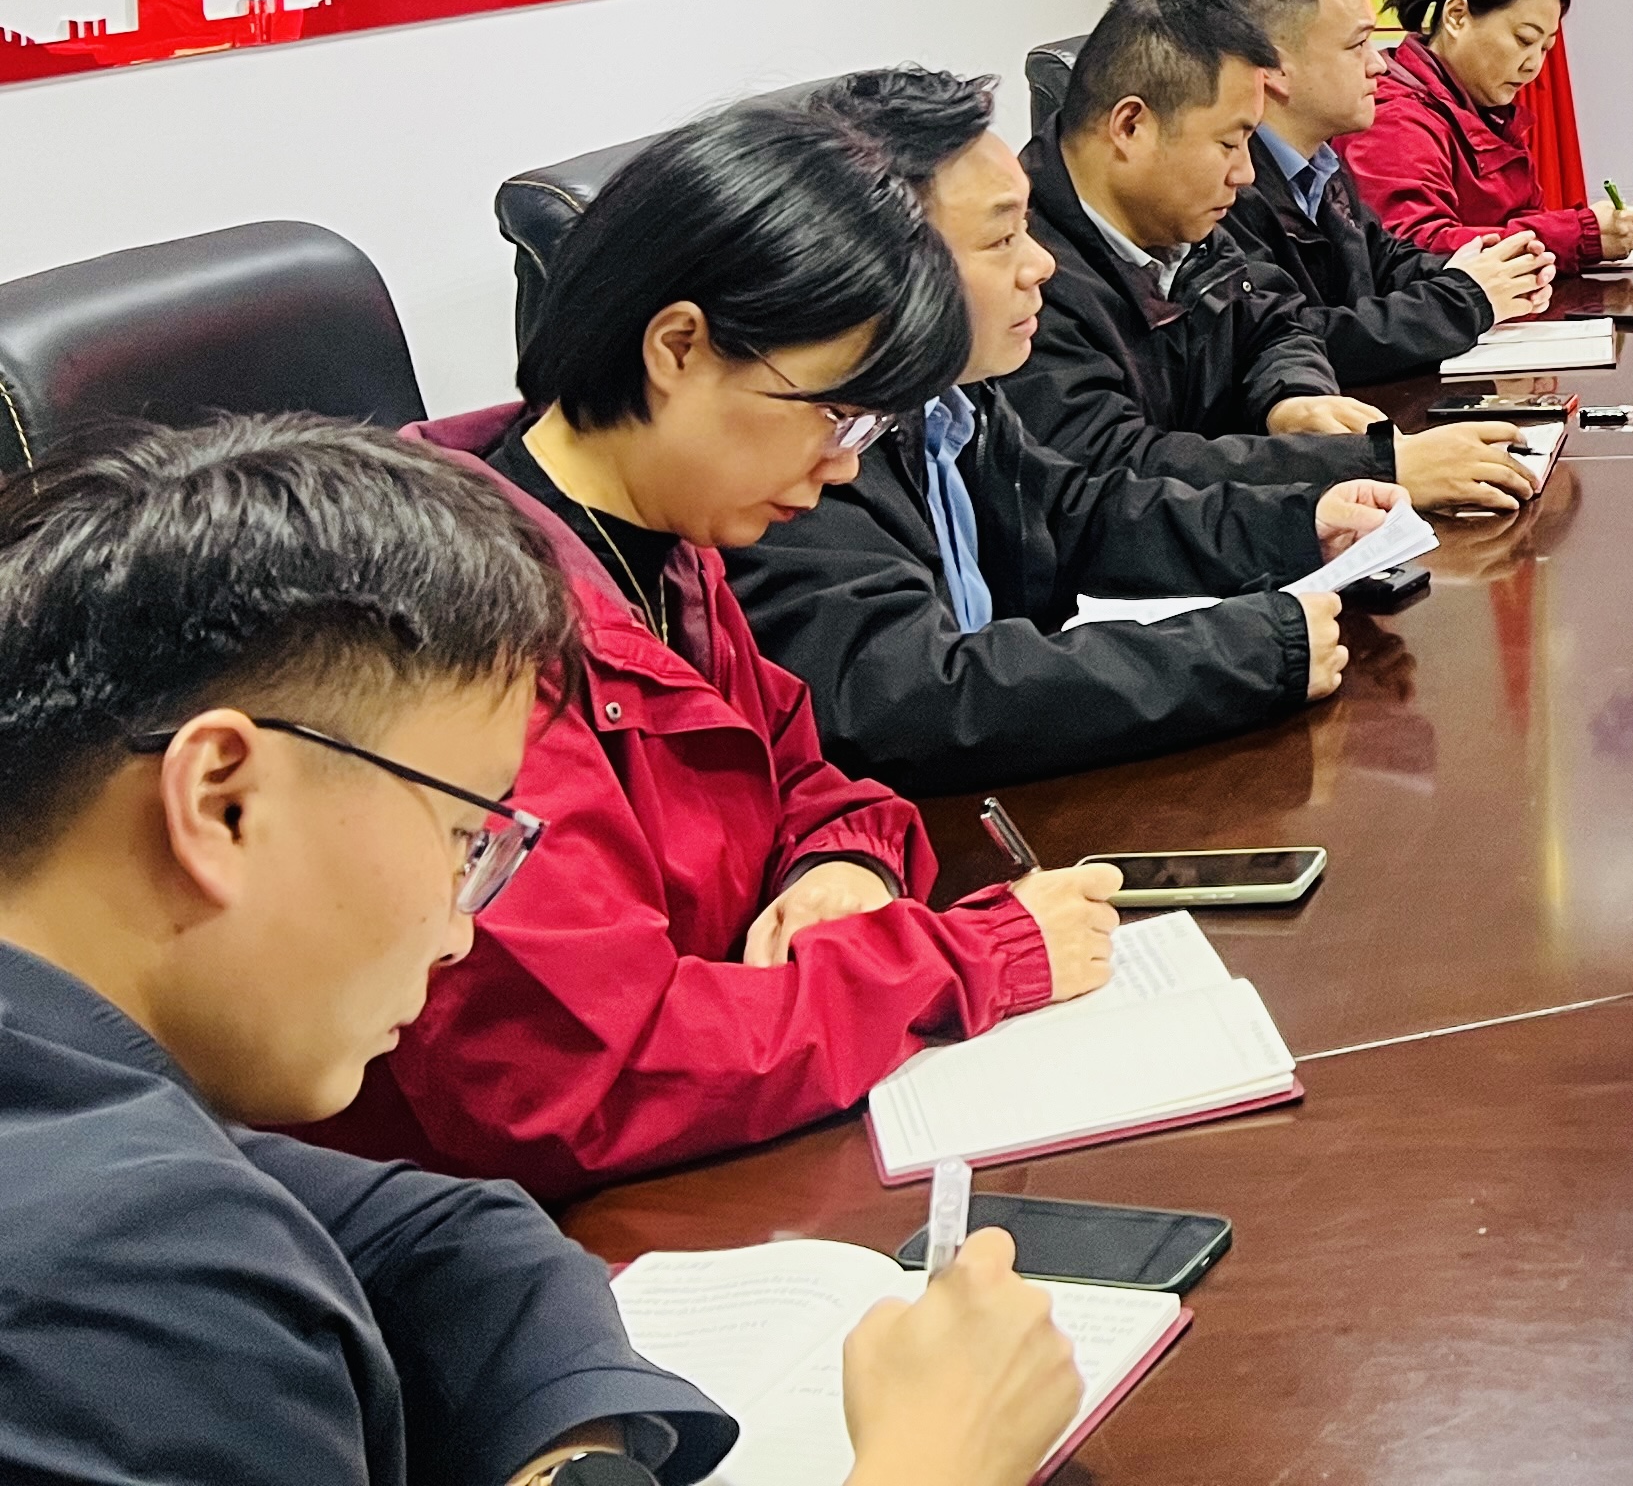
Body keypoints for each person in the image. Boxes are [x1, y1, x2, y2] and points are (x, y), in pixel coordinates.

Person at [0, 414, 1086, 1486]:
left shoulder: (88, 1094)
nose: (461, 928)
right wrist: (932, 1462)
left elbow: (458, 1235)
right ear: (224, 803)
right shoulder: (107, 1277)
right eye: (462, 838)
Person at [308, 109, 1128, 1204]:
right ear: (679, 347)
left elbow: (813, 782)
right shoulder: (460, 637)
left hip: (707, 1151)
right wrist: (979, 959)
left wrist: (838, 872)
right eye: (834, 415)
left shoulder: (666, 550)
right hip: (498, 1225)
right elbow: (586, 1076)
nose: (845, 468)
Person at [727, 67, 1434, 794]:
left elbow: (1073, 515)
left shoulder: (944, 400)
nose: (1040, 265)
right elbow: (906, 697)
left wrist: (1293, 528)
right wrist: (1246, 650)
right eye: (1002, 238)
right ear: (878, 267)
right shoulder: (810, 446)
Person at [1007, 0, 1529, 515]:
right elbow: (1118, 472)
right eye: (1229, 143)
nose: (1246, 172)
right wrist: (1369, 467)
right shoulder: (1024, 278)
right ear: (1131, 126)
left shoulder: (1178, 223)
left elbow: (1274, 323)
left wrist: (1292, 396)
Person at [1210, 0, 1553, 380]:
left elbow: (1385, 260)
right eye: (1358, 44)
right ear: (1275, 66)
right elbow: (1289, 336)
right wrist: (1466, 298)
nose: (1379, 64)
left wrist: (1481, 266)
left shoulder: (1321, 164)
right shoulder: (1225, 187)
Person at [1348, 0, 1633, 265]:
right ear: (1456, 16)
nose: (1534, 65)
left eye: (1545, 48)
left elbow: (1521, 219)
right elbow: (1413, 250)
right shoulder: (1394, 116)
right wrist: (1577, 234)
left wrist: (1578, 234)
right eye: (1524, 39)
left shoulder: (1485, 111)